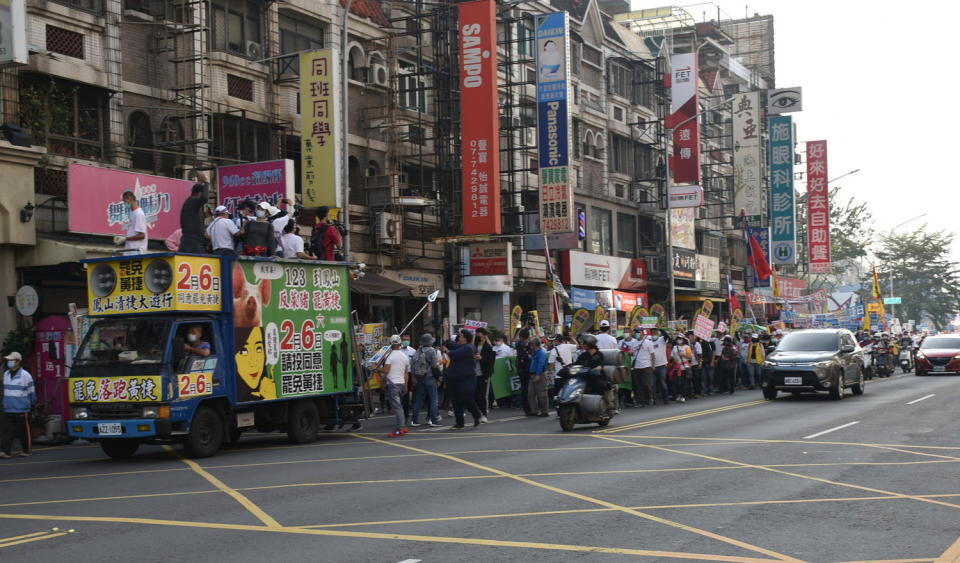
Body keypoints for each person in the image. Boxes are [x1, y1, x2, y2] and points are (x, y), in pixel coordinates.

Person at [441, 329, 483, 429]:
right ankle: (460, 423)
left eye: (460, 336)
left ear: (464, 338)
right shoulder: (459, 346)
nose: (458, 337)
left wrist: (447, 351)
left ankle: (477, 414)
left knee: (466, 397)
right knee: (456, 400)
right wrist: (445, 328)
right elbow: (447, 342)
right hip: (454, 377)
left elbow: (453, 354)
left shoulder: (468, 347)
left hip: (467, 378)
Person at [1, 352, 36, 458]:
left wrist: (31, 404)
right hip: (9, 407)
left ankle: (27, 450)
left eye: (12, 360)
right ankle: (5, 451)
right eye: (8, 360)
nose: (9, 362)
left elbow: (31, 392)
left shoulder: (26, 375)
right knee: (7, 430)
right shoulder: (6, 374)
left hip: (21, 408)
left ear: (18, 361)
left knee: (23, 431)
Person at [379, 335, 410, 438]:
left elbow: (386, 370)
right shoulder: (404, 356)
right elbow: (406, 373)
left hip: (393, 385)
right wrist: (405, 385)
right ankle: (403, 426)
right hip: (401, 384)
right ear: (400, 343)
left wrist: (376, 368)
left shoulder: (390, 356)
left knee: (397, 408)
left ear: (391, 344)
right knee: (399, 406)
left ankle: (399, 429)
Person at [409, 334, 442, 427]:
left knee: (419, 400)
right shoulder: (431, 351)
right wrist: (439, 376)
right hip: (430, 377)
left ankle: (414, 420)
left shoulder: (418, 351)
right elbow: (435, 365)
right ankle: (433, 420)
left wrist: (413, 378)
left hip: (419, 378)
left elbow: (412, 365)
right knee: (434, 399)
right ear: (430, 342)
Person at [179, 172, 210, 253]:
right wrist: (206, 182)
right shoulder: (192, 201)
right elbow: (205, 198)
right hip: (192, 241)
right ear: (200, 193)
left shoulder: (189, 202)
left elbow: (192, 218)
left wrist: (204, 216)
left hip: (189, 240)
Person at [474, 328, 495, 421]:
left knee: (483, 395)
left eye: (479, 333)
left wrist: (481, 358)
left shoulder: (488, 347)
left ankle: (484, 414)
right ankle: (478, 413)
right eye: (476, 333)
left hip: (484, 373)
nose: (477, 335)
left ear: (483, 335)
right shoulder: (474, 345)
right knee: (475, 394)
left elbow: (491, 362)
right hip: (474, 373)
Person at [117, 190, 148, 255]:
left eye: (125, 201)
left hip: (136, 252)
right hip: (130, 251)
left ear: (130, 199)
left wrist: (125, 238)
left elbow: (142, 235)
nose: (124, 204)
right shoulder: (133, 213)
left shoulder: (139, 214)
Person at [631, 329, 656, 407]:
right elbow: (631, 353)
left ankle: (650, 398)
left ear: (642, 333)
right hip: (636, 367)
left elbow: (653, 355)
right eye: (636, 333)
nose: (637, 334)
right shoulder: (633, 342)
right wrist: (636, 348)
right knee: (638, 385)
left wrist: (653, 365)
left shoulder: (648, 342)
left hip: (646, 366)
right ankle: (641, 401)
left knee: (646, 384)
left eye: (639, 332)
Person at [527, 339, 549, 417]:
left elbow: (541, 364)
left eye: (531, 345)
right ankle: (534, 410)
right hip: (532, 374)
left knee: (542, 394)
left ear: (535, 345)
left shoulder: (541, 353)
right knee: (531, 394)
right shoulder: (535, 353)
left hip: (539, 374)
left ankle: (544, 411)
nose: (530, 346)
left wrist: (538, 374)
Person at [513, 328, 533, 414]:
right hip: (526, 369)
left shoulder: (521, 345)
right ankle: (529, 408)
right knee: (527, 389)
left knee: (526, 390)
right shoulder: (523, 345)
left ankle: (529, 408)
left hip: (524, 369)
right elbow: (528, 356)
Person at [650, 328, 670, 405]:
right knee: (652, 384)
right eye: (653, 332)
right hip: (652, 366)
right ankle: (654, 400)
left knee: (662, 383)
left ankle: (666, 398)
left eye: (656, 332)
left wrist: (661, 329)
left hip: (661, 366)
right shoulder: (649, 341)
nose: (654, 333)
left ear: (658, 333)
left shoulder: (662, 339)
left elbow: (667, 336)